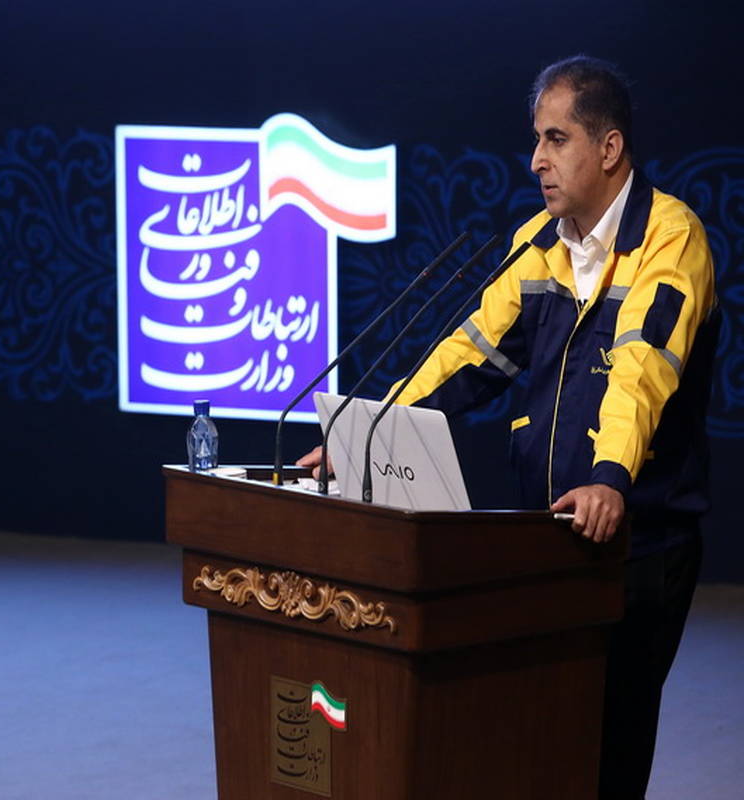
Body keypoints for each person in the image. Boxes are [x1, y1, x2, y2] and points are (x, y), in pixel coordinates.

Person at [299, 55, 718, 799]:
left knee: (607, 750)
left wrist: (609, 478)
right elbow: (465, 358)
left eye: (556, 139)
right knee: (534, 739)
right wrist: (366, 432)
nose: (536, 161)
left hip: (638, 538)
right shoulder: (538, 244)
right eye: (536, 140)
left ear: (610, 148)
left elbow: (642, 367)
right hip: (542, 537)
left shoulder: (670, 239)